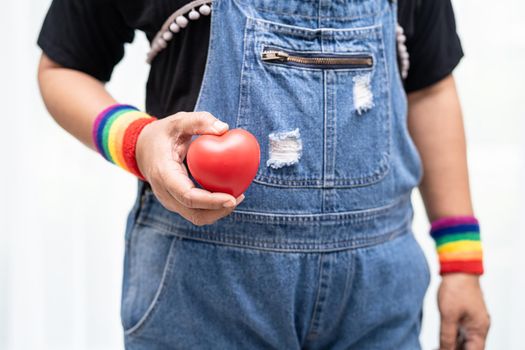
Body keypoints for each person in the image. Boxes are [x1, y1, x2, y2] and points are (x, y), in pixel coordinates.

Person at [37, 0, 490, 349]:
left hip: (378, 300)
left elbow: (430, 88)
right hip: (203, 297)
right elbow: (64, 68)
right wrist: (138, 142)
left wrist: (462, 264)